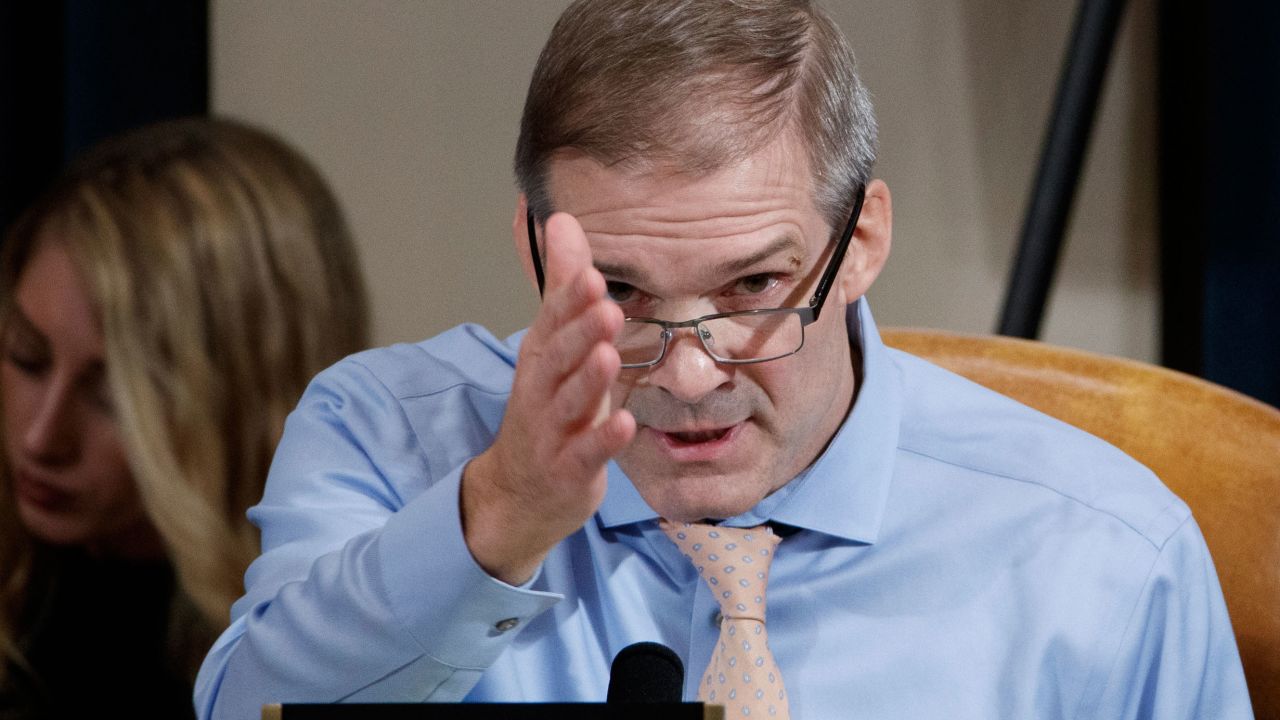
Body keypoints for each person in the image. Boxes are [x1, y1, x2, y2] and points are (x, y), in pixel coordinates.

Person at [195, 1, 1253, 718]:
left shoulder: (1110, 555)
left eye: (752, 289)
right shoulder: (385, 434)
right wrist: (497, 520)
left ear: (862, 242)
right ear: (533, 246)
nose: (688, 377)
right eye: (619, 295)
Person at [0, 117, 370, 718]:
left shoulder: (326, 642)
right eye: (26, 356)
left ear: (242, 396)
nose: (42, 438)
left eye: (113, 397)